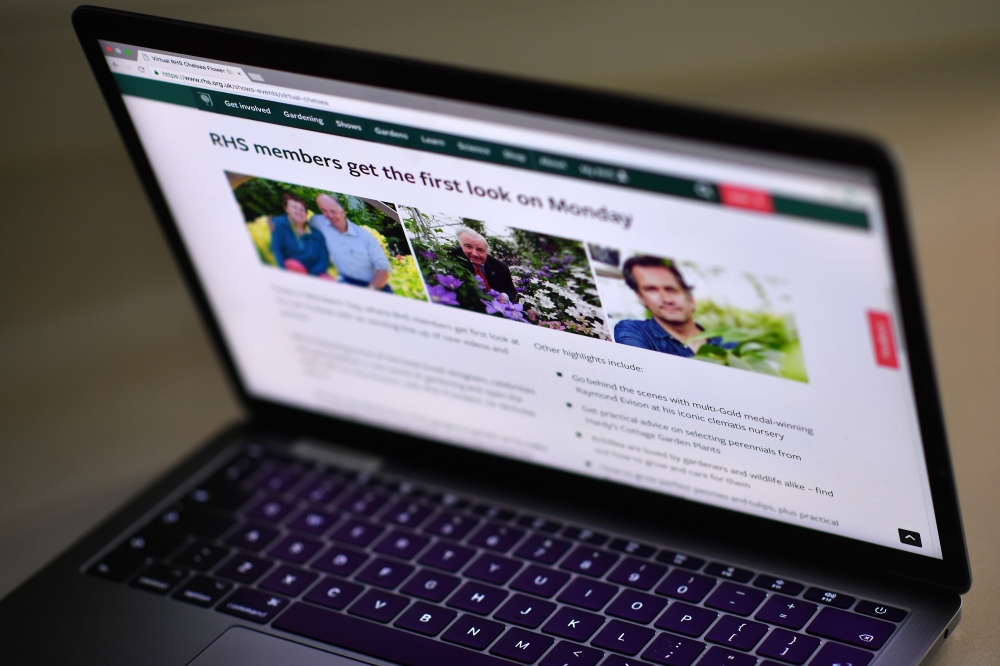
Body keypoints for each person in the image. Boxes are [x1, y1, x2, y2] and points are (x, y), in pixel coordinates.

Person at [614, 256, 734, 357]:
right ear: (641, 298)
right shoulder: (635, 332)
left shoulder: (728, 344)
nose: (666, 299)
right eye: (652, 290)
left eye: (671, 289)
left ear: (691, 300)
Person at [312, 193, 393, 292]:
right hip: (346, 283)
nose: (330, 215)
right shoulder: (319, 222)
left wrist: (368, 292)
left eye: (333, 211)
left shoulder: (365, 237)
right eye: (324, 211)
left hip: (375, 287)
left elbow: (383, 271)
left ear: (343, 212)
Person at [269, 192, 331, 276]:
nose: (299, 212)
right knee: (291, 264)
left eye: (302, 209)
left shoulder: (317, 235)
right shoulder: (278, 225)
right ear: (286, 209)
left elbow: (323, 260)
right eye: (294, 207)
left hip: (314, 274)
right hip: (290, 271)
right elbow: (277, 250)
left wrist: (311, 276)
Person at [451, 227, 518, 304]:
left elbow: (511, 291)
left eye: (480, 250)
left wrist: (504, 296)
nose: (474, 254)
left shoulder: (501, 266)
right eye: (468, 246)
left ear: (486, 252)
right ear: (461, 245)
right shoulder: (452, 257)